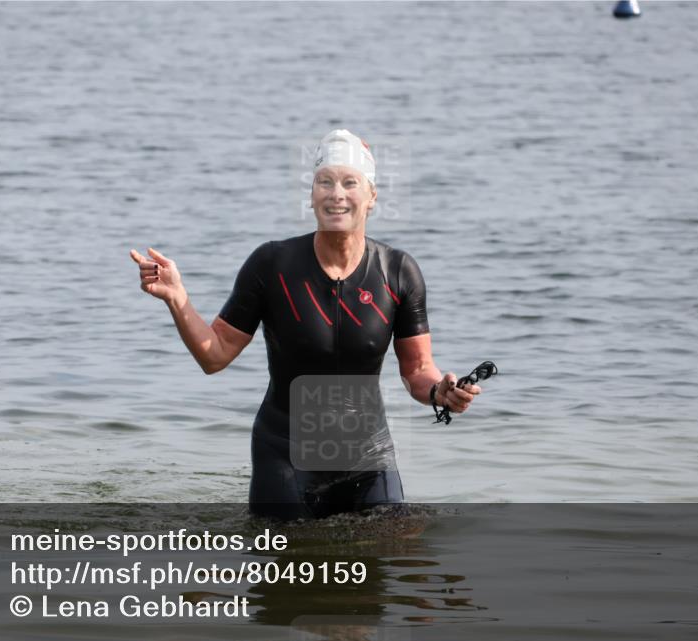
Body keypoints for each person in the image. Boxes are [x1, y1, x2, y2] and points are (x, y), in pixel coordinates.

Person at [130, 129, 481, 519]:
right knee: (285, 564)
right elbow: (215, 355)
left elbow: (416, 369)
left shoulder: (397, 272)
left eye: (350, 183)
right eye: (324, 182)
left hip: (368, 453)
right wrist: (179, 300)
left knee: (393, 552)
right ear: (312, 196)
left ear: (371, 197)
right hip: (284, 451)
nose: (337, 194)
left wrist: (439, 392)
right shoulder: (271, 265)